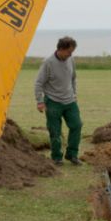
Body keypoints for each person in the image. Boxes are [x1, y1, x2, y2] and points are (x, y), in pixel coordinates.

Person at [35, 36, 82, 166]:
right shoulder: (48, 63)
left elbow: (73, 78)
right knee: (55, 131)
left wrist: (74, 93)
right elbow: (39, 83)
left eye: (72, 52)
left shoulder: (71, 60)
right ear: (61, 49)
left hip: (70, 101)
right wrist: (40, 101)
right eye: (69, 51)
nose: (70, 54)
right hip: (53, 102)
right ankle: (56, 157)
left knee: (77, 125)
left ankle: (72, 155)